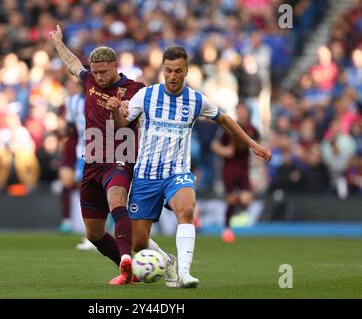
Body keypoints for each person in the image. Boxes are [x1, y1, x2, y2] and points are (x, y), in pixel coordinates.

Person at [107, 47, 271, 288]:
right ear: (163, 70)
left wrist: (252, 143)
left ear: (186, 71)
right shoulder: (146, 96)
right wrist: (114, 112)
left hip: (178, 173)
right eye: (168, 71)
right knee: (139, 243)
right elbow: (122, 125)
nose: (172, 76)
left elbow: (224, 119)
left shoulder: (196, 100)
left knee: (186, 210)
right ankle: (168, 261)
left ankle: (184, 274)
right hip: (146, 175)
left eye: (178, 71)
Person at [50, 25, 145, 285]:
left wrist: (116, 110)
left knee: (117, 202)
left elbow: (126, 122)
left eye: (104, 71)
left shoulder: (135, 89)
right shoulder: (90, 80)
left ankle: (126, 259)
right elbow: (72, 64)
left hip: (119, 158)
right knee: (93, 233)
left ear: (116, 66)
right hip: (91, 162)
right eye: (95, 72)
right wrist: (58, 43)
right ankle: (129, 271)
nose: (99, 77)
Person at [211, 102, 260, 243]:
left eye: (243, 110)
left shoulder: (252, 129)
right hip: (229, 168)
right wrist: (224, 151)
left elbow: (258, 144)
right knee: (231, 199)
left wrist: (257, 159)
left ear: (248, 112)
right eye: (239, 110)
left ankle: (239, 212)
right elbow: (214, 145)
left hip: (244, 169)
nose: (241, 113)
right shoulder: (228, 127)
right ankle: (227, 228)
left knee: (246, 199)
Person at [58, 79, 97, 251]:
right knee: (88, 192)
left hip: (107, 149)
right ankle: (93, 235)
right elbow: (70, 127)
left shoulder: (101, 99)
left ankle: (100, 235)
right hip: (85, 152)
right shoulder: (72, 102)